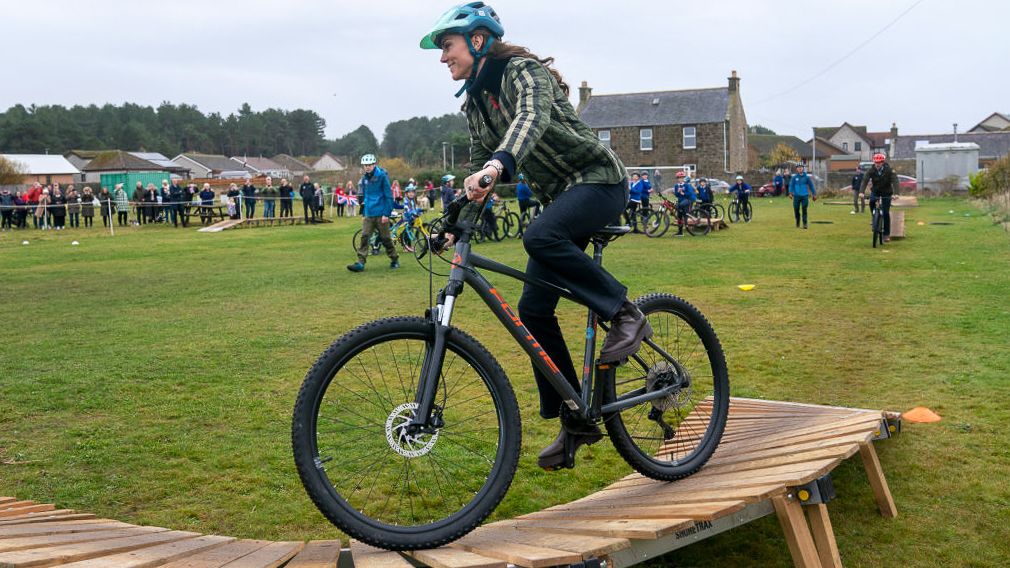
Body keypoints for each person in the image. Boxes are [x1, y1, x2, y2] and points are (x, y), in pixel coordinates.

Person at [422, 1, 649, 470]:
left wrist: (498, 164)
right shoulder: (476, 105)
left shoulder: (522, 71)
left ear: (478, 40)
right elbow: (474, 166)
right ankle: (576, 418)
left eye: (447, 46)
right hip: (561, 196)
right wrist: (449, 221)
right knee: (532, 308)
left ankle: (626, 313)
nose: (442, 57)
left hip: (598, 181)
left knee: (539, 236)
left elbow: (530, 118)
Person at [347, 154, 399, 272]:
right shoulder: (364, 179)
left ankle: (394, 259)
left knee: (385, 238)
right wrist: (364, 213)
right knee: (365, 236)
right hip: (369, 213)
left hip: (381, 213)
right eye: (365, 165)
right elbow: (366, 197)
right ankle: (360, 263)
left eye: (369, 165)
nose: (367, 167)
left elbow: (389, 196)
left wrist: (386, 213)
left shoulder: (382, 176)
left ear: (374, 164)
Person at [860, 153, 899, 242]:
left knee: (885, 213)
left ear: (882, 162)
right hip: (876, 191)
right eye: (876, 162)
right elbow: (865, 180)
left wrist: (896, 193)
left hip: (886, 192)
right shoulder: (871, 170)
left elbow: (895, 181)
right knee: (871, 202)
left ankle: (886, 234)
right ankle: (874, 217)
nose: (877, 164)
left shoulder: (889, 170)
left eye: (879, 162)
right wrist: (861, 192)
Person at [787, 163, 817, 228]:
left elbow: (811, 186)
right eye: (798, 167)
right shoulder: (794, 178)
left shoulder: (807, 178)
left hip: (805, 196)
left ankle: (805, 224)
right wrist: (790, 193)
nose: (800, 168)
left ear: (803, 168)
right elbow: (791, 186)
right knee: (796, 209)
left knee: (804, 209)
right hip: (796, 196)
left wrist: (814, 194)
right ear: (797, 169)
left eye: (801, 167)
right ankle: (797, 222)